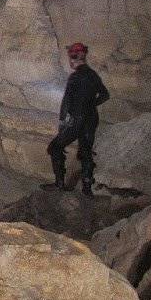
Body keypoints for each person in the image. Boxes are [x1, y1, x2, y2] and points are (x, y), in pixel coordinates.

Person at [44, 42, 110, 196]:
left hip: (78, 120)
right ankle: (87, 189)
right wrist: (91, 104)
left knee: (54, 147)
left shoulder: (75, 77)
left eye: (71, 58)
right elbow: (105, 95)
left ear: (75, 57)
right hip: (91, 118)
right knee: (86, 151)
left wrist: (62, 121)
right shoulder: (93, 76)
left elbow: (66, 101)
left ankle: (59, 184)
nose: (70, 61)